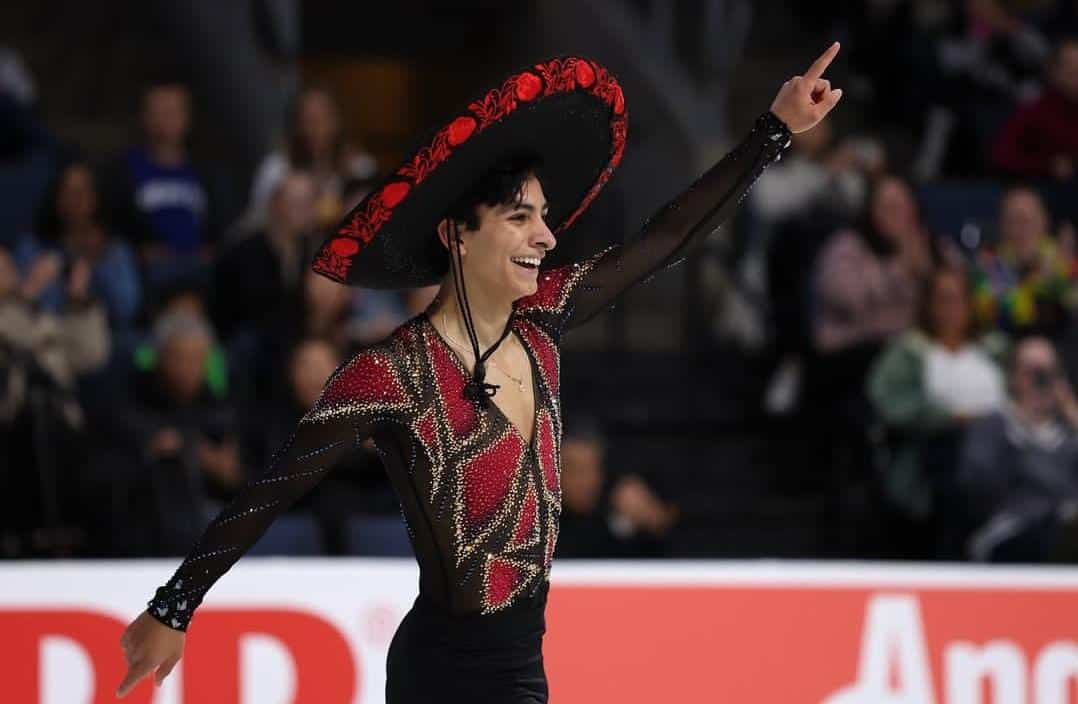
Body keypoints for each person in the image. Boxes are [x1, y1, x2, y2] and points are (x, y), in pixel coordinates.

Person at [117, 45, 843, 702]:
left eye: (546, 217)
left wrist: (771, 134)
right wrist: (175, 605)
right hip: (441, 673)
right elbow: (272, 488)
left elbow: (666, 238)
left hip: (522, 669)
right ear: (456, 235)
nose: (547, 237)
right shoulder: (391, 373)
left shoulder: (546, 318)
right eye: (521, 218)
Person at [867, 267, 1006, 555]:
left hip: (1000, 456)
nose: (950, 309)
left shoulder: (995, 349)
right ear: (928, 304)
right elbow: (886, 401)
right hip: (933, 458)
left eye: (957, 299)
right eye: (942, 299)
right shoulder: (910, 351)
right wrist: (949, 418)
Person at [958, 336, 1078, 562]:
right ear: (1013, 377)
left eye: (1050, 373)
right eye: (1033, 372)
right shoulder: (993, 426)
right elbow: (977, 485)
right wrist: (1025, 427)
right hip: (1010, 535)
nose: (1042, 382)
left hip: (1066, 538)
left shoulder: (1069, 434)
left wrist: (1072, 414)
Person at [972, 185, 1076, 338]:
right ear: (1002, 226)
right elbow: (988, 313)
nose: (1020, 230)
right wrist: (1038, 283)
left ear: (1044, 221)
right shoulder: (988, 265)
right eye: (1012, 221)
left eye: (1027, 220)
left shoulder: (1064, 262)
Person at [992, 36, 1078, 180]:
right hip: (1052, 191)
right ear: (1054, 72)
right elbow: (1002, 157)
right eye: (1071, 70)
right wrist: (1047, 166)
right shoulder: (1035, 111)